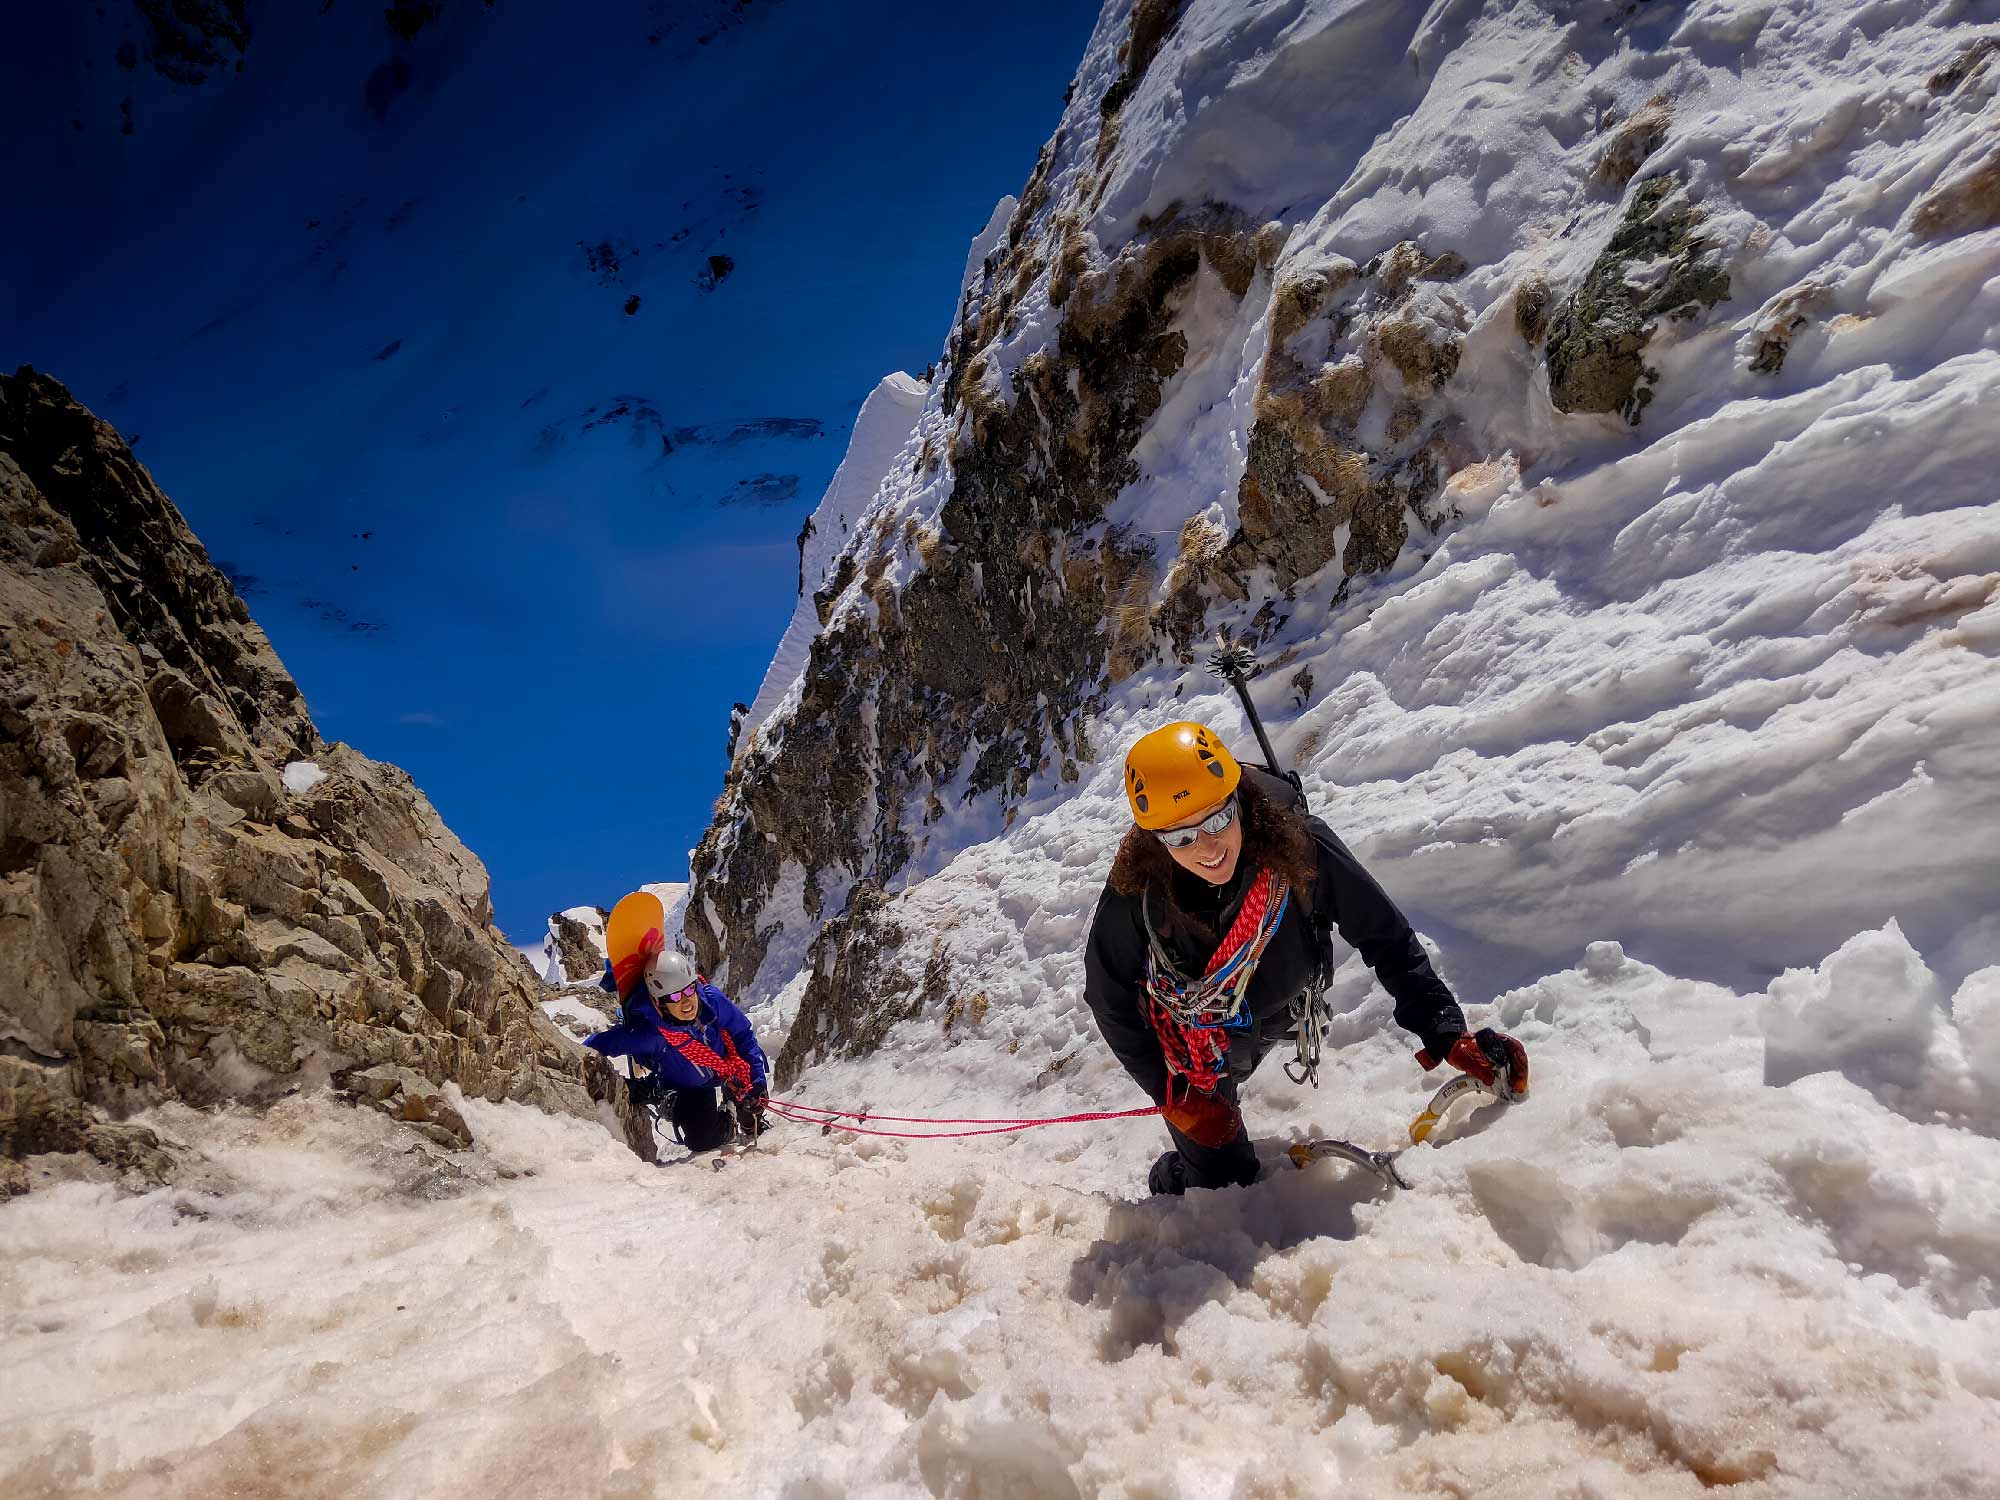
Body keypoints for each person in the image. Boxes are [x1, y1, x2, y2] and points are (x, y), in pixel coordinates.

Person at [1083, 720, 1528, 1195]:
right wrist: (1173, 1095)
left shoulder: (1298, 845)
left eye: (1217, 819)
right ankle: (1173, 1175)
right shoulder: (1139, 893)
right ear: (1156, 840)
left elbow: (1383, 934)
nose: (1208, 848)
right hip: (1192, 1046)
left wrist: (1445, 1029)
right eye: (1181, 837)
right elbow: (1108, 994)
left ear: (1239, 799)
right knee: (1223, 1188)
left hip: (1275, 1009)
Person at [585, 946, 771, 1152]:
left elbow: (743, 1036)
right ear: (658, 1002)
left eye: (689, 990)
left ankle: (747, 1119)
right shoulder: (650, 1035)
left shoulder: (712, 1001)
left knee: (753, 1103)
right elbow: (599, 1045)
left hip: (728, 1065)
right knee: (703, 1141)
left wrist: (757, 1082)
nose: (686, 1002)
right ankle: (729, 1118)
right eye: (674, 997)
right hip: (690, 1087)